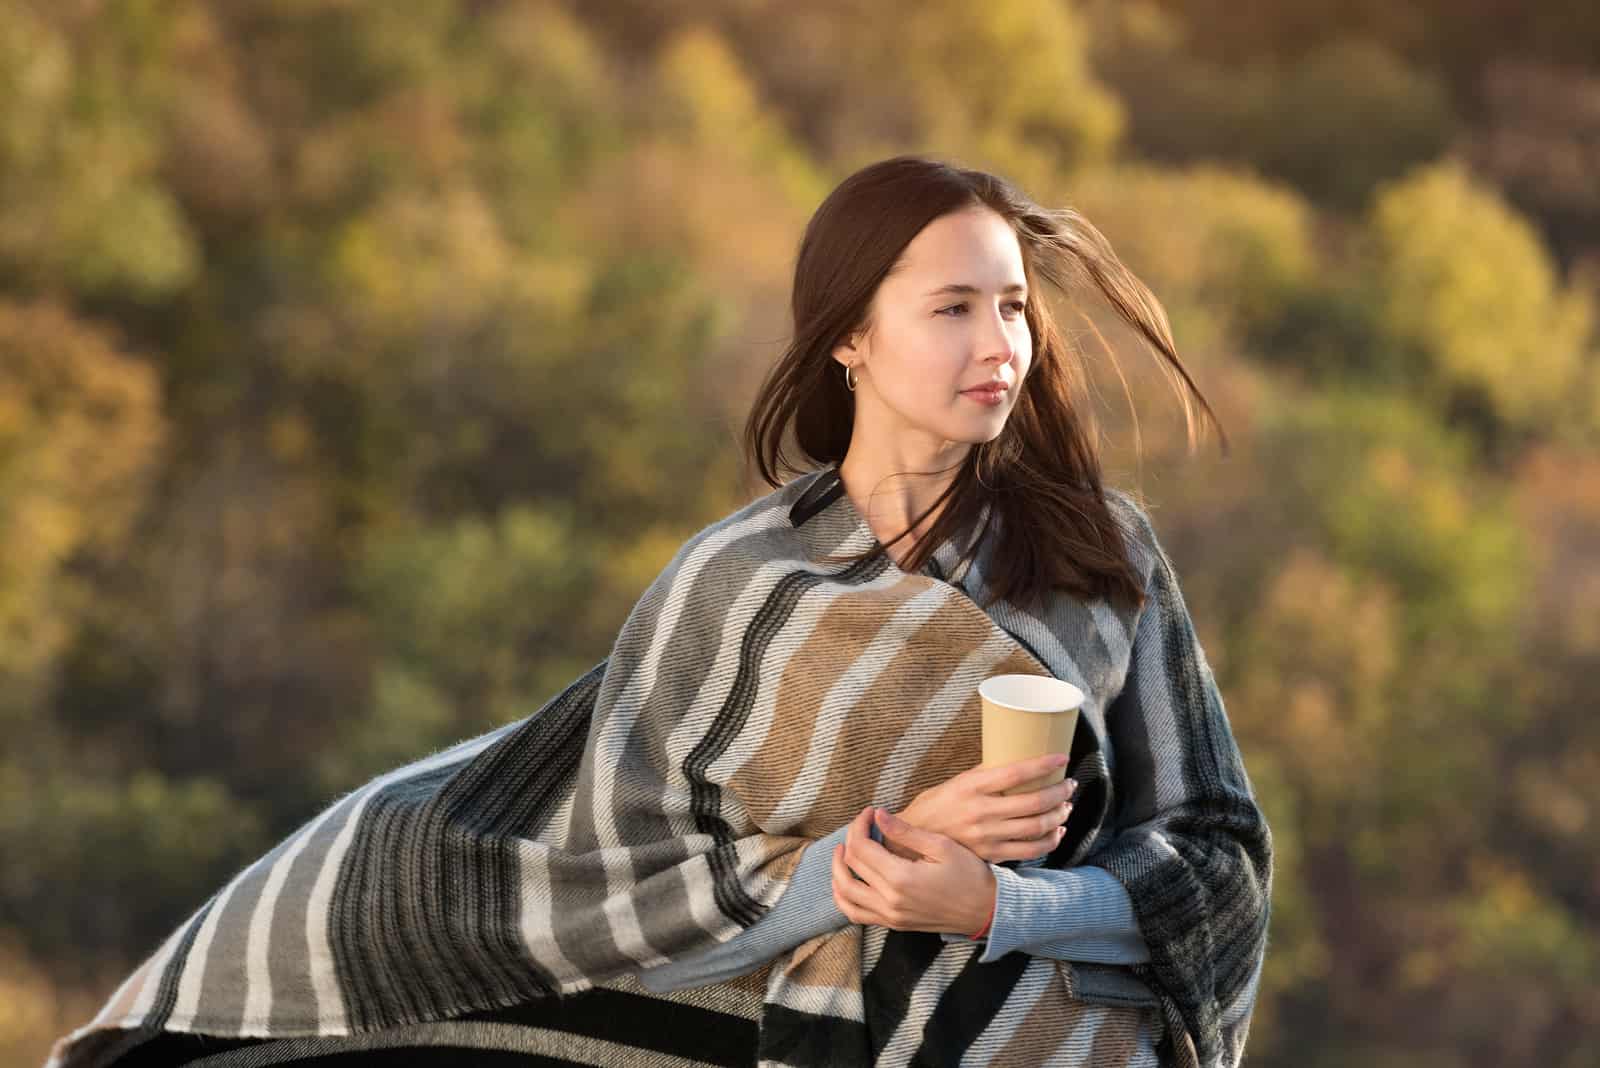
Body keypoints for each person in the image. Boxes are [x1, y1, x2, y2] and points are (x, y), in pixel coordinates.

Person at [48, 156, 1270, 1068]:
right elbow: (628, 895)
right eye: (951, 308)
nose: (996, 342)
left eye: (1010, 306)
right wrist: (856, 871)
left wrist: (997, 903)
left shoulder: (1100, 556)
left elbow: (1219, 868)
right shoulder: (737, 587)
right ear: (850, 333)